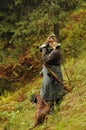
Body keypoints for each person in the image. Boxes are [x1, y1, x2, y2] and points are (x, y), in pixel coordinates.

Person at [40, 34, 64, 112]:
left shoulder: (55, 52)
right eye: (50, 43)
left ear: (56, 43)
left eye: (53, 42)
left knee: (52, 92)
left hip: (54, 73)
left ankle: (54, 111)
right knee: (50, 91)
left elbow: (45, 60)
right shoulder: (53, 50)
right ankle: (51, 111)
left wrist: (44, 47)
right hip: (51, 73)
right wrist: (45, 44)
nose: (51, 44)